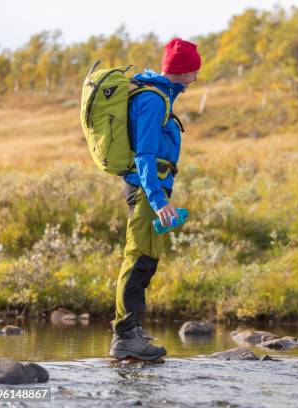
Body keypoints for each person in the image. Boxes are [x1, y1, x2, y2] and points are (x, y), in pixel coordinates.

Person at [109, 38, 201, 360]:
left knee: (146, 260)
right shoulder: (153, 100)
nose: (195, 79)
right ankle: (126, 336)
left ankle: (133, 332)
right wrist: (158, 199)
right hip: (147, 190)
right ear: (181, 70)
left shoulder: (160, 96)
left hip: (151, 191)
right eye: (193, 71)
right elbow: (146, 155)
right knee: (137, 259)